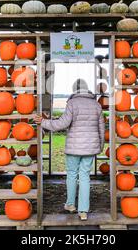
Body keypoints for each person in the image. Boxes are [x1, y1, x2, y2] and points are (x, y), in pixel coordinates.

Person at [34, 79, 105, 221]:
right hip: (90, 148)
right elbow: (101, 129)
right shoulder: (97, 105)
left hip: (74, 147)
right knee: (85, 176)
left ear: (75, 90)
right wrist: (100, 146)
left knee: (72, 174)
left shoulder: (72, 103)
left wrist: (43, 122)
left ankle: (71, 205)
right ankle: (83, 211)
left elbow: (62, 123)